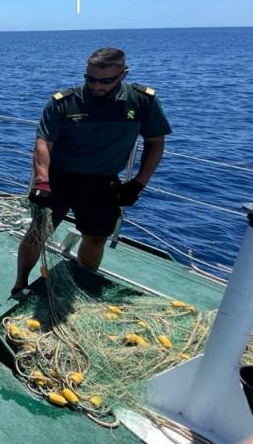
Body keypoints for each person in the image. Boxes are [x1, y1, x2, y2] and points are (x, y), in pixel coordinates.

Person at [12, 47, 172, 294]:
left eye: (105, 81)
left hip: (103, 182)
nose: (96, 85)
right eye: (90, 79)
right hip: (60, 178)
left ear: (123, 74)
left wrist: (138, 183)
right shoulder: (64, 101)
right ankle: (20, 283)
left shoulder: (142, 101)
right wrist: (42, 181)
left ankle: (83, 284)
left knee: (96, 237)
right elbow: (43, 143)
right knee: (38, 232)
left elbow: (155, 143)